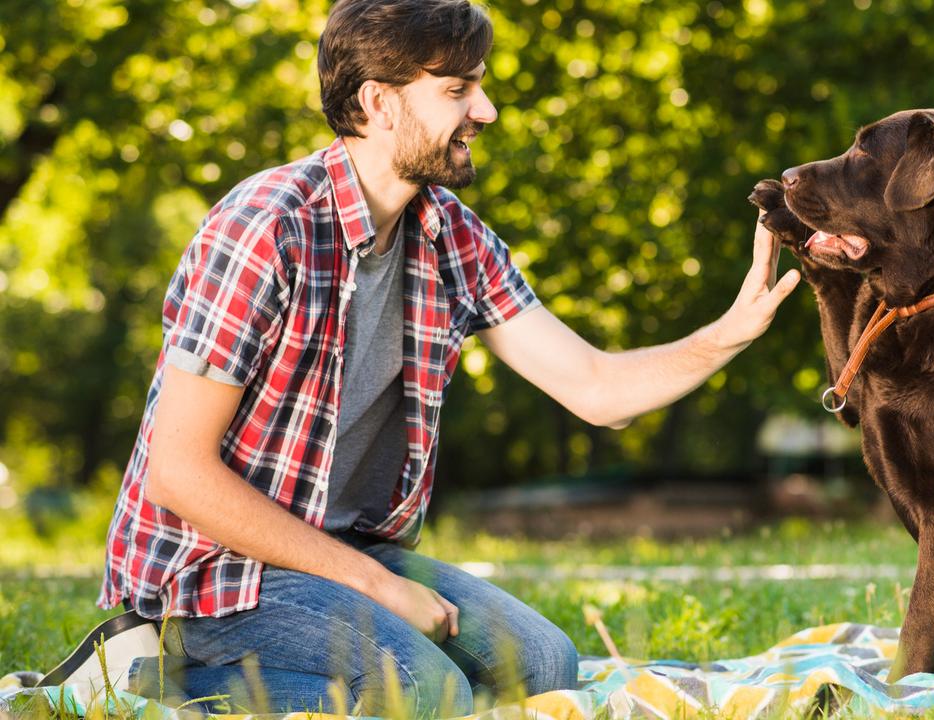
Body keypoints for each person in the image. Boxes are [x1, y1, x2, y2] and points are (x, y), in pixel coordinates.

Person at [85, 0, 801, 716]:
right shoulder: (268, 228)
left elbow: (596, 389)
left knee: (545, 665)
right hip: (218, 571)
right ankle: (153, 674)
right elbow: (178, 471)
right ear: (378, 104)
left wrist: (726, 335)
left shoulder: (450, 235)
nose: (485, 111)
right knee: (426, 689)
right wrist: (378, 587)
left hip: (341, 551)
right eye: (457, 90)